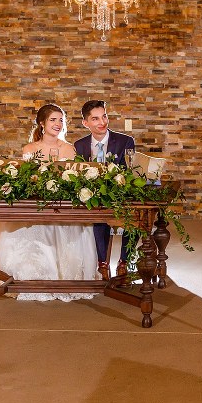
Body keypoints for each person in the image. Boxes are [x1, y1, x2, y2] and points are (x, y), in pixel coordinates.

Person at [0, 103, 98, 301]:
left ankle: (60, 276)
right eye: (53, 120)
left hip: (59, 204)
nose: (58, 124)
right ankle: (17, 273)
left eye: (61, 120)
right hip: (35, 202)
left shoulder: (68, 149)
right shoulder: (30, 149)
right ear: (42, 123)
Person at [74, 100, 136, 281]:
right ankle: (102, 263)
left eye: (104, 116)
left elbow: (129, 172)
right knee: (98, 217)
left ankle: (124, 261)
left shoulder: (126, 141)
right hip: (94, 197)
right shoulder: (79, 145)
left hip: (121, 195)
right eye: (95, 119)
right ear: (86, 123)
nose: (102, 122)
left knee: (135, 216)